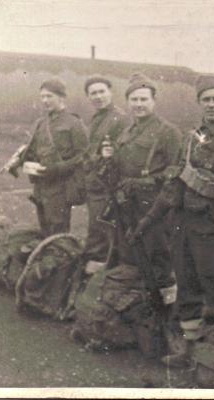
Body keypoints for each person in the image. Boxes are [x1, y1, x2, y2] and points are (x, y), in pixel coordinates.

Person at [129, 75, 214, 367]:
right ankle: (189, 351)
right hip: (181, 226)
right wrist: (148, 221)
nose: (211, 105)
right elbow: (173, 186)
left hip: (213, 228)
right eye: (206, 99)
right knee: (187, 287)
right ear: (199, 103)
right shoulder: (190, 139)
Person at [111, 72, 181, 309]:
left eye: (143, 99)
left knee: (158, 255)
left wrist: (148, 183)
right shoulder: (127, 132)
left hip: (155, 204)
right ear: (128, 102)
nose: (138, 105)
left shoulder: (168, 132)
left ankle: (167, 311)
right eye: (134, 100)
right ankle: (139, 308)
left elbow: (176, 172)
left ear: (154, 101)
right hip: (127, 203)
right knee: (131, 253)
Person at [7, 78, 89, 236]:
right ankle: (47, 258)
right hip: (40, 183)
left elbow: (84, 156)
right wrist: (17, 163)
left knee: (58, 229)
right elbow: (32, 150)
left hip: (61, 185)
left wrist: (58, 168)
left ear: (61, 97)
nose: (45, 100)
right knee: (44, 227)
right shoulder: (40, 123)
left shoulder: (73, 123)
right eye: (42, 96)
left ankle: (59, 258)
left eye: (49, 96)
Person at [82, 75, 130, 269]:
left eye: (102, 91)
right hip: (94, 182)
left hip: (107, 183)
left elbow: (123, 153)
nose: (98, 96)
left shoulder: (120, 118)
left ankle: (96, 272)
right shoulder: (97, 118)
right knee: (98, 227)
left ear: (110, 93)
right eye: (93, 93)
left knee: (101, 228)